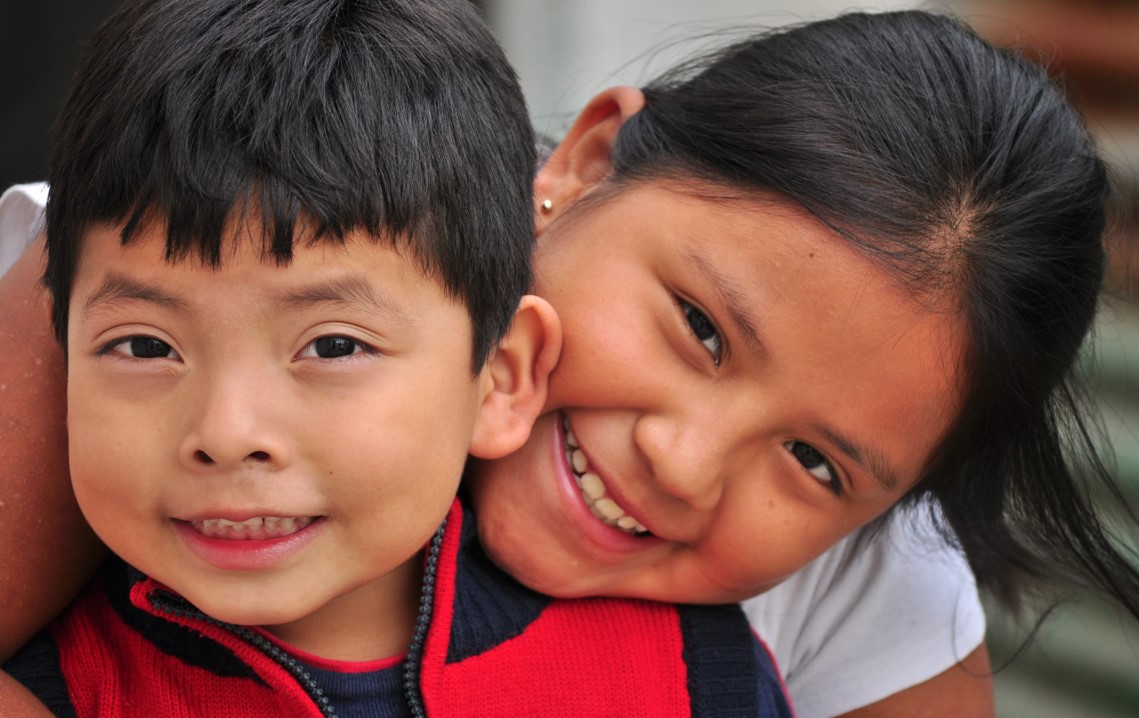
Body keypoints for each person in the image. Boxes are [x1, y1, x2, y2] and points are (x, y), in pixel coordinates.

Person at [2, 8, 1137, 717]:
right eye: (698, 326)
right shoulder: (190, 253)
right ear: (584, 164)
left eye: (813, 461)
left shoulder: (844, 583)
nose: (681, 462)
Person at [0, 0, 791, 716]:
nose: (227, 431)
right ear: (62, 350)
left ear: (500, 377)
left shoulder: (688, 680)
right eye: (144, 346)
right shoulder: (58, 689)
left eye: (334, 345)